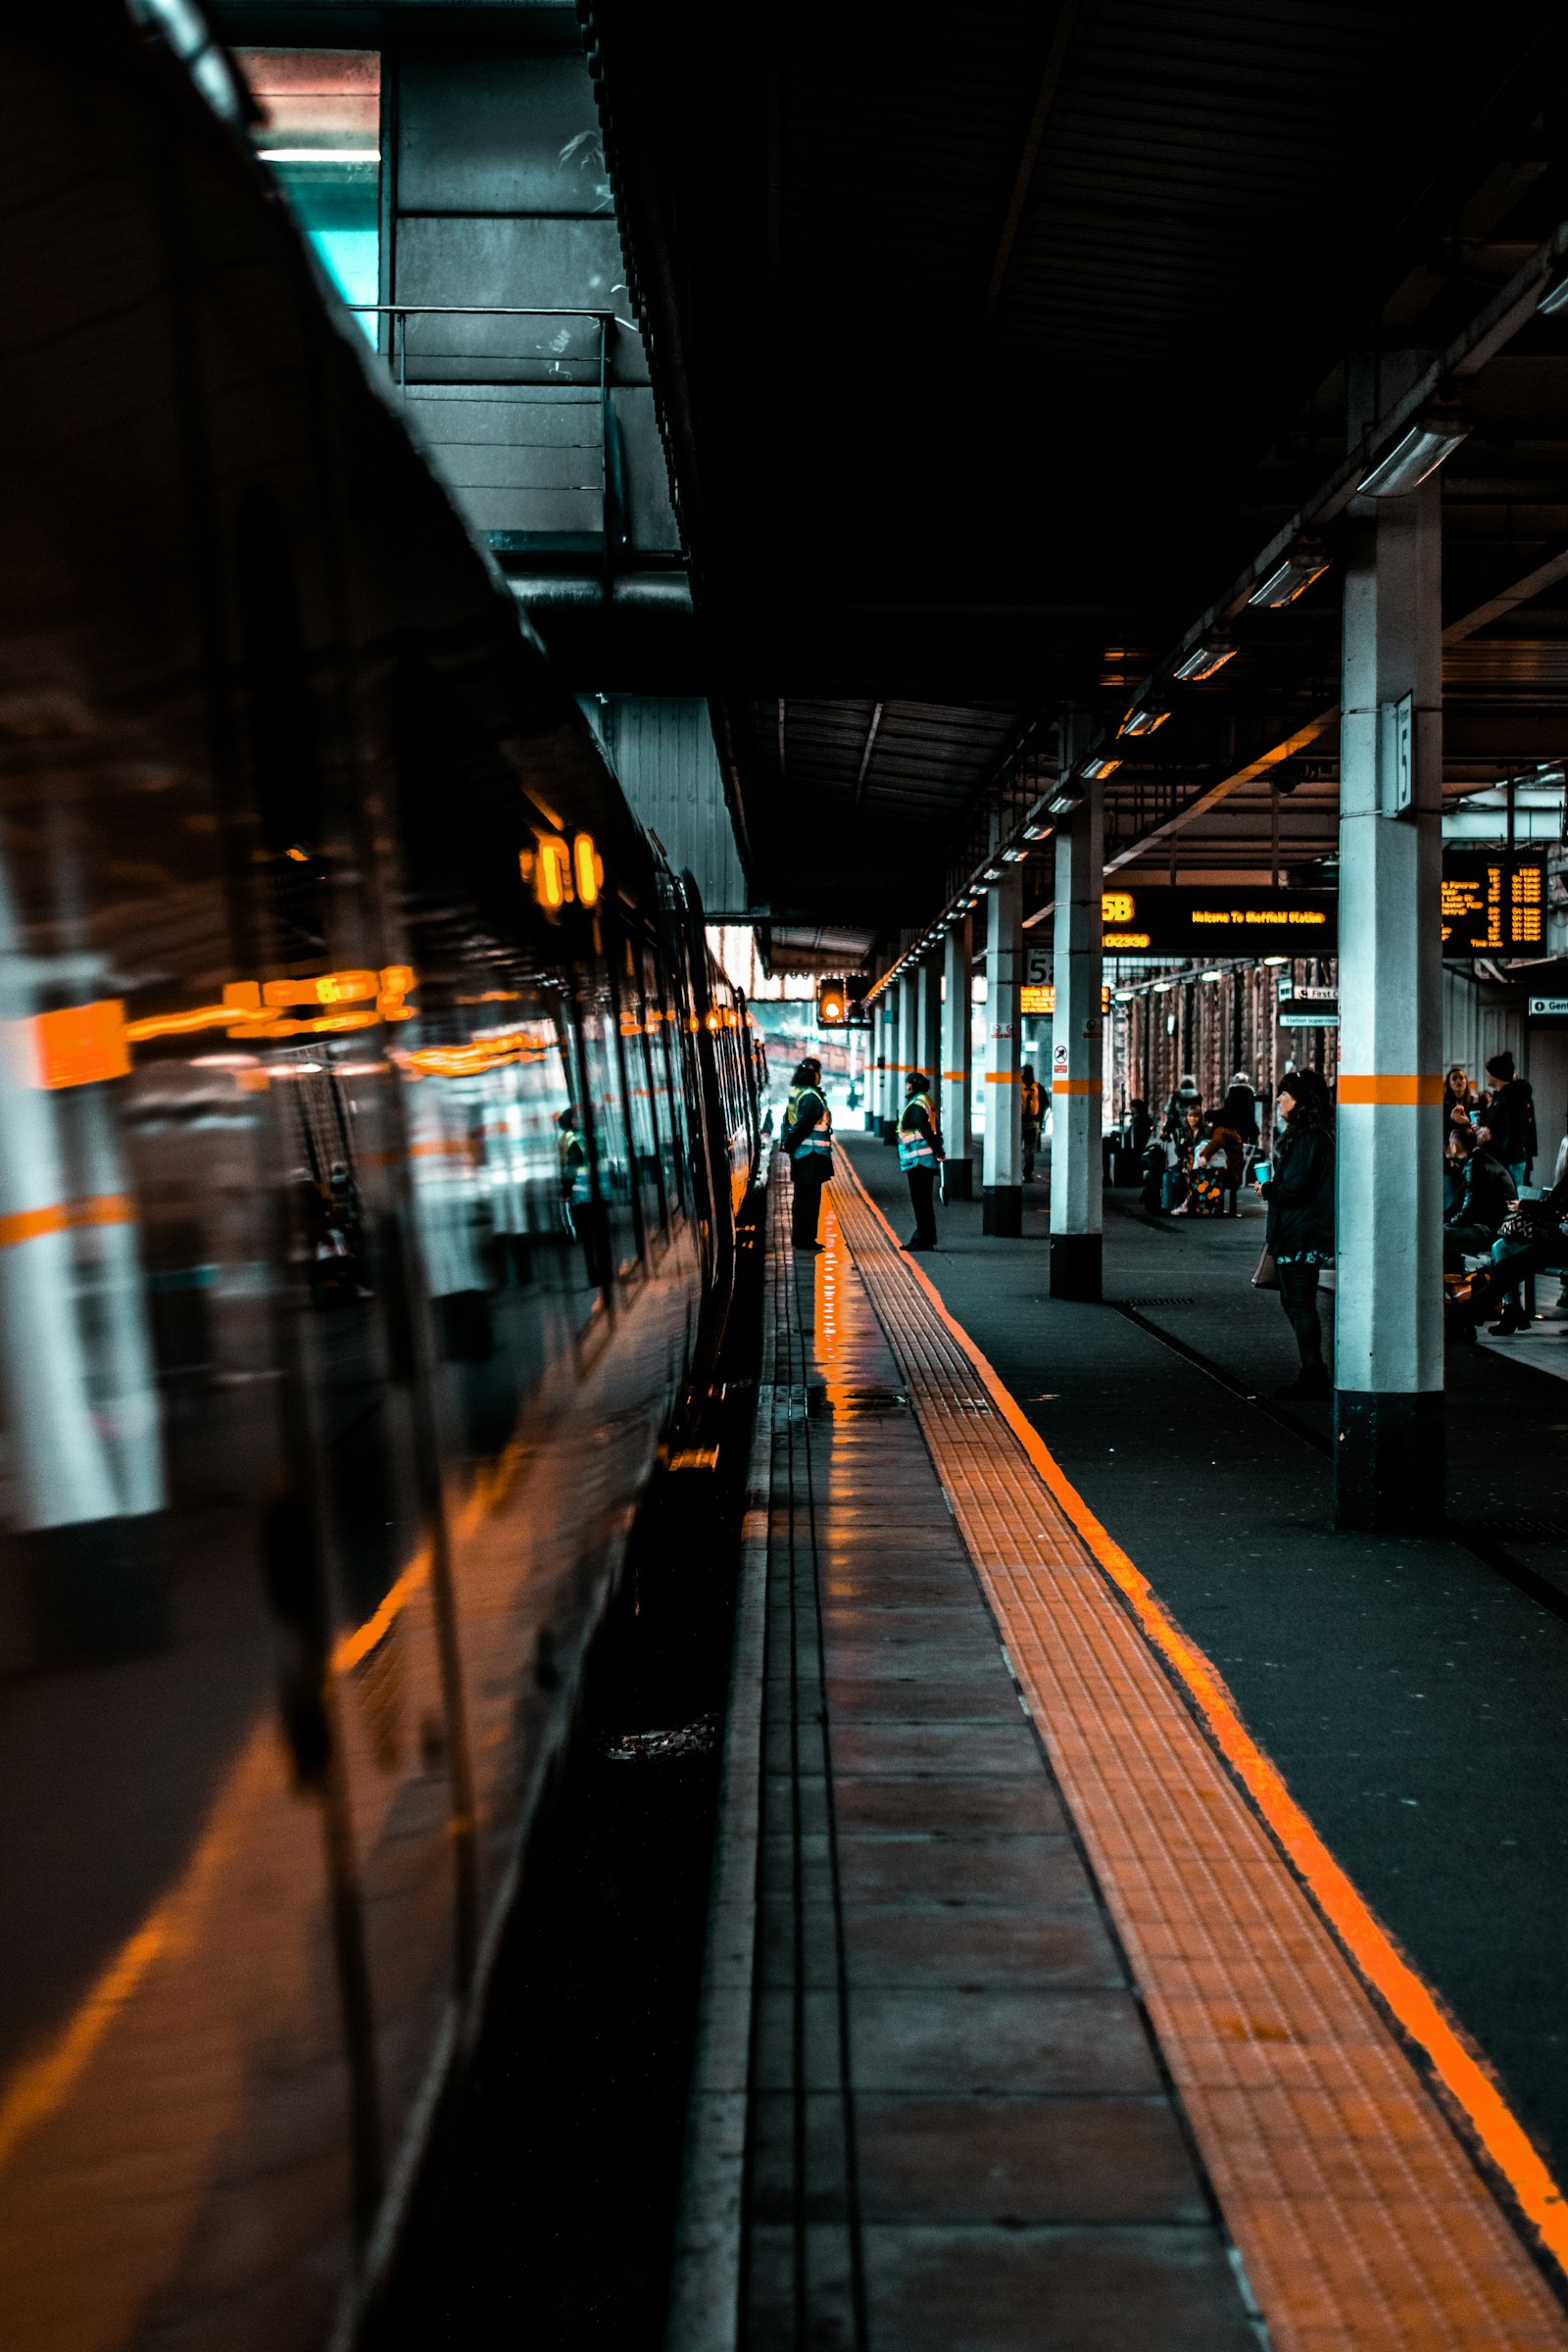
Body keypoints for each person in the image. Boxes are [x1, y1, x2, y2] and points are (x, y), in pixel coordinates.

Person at [1255, 1067, 1334, 1399]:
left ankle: (1314, 1372)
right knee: (1295, 1301)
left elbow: (1296, 1188)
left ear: (1299, 1100)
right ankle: (1312, 1369)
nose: (1278, 1099)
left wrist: (1268, 1189)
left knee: (1300, 1303)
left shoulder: (1306, 1138)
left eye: (1284, 1094)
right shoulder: (1315, 1135)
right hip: (1300, 1230)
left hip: (1301, 1232)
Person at [1443, 1124, 1512, 1271]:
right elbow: (1460, 1204)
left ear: (1454, 1146)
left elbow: (1468, 1211)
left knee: (1441, 1236)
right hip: (1498, 1226)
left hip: (1491, 1229)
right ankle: (1455, 1282)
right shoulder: (1479, 1161)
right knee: (1443, 1232)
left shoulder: (1474, 1165)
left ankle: (1452, 1284)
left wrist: (1446, 1224)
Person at [780, 1057, 832, 1252]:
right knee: (810, 1199)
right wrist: (792, 1144)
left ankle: (799, 1237)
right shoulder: (811, 1097)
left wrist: (789, 1145)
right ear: (814, 1074)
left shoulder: (797, 1093)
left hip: (802, 1155)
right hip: (812, 1154)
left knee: (801, 1198)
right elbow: (804, 1125)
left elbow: (787, 1121)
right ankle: (807, 1239)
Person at [898, 1070, 944, 1250]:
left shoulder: (916, 1104)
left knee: (920, 1202)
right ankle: (926, 1238)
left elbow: (925, 1130)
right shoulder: (926, 1101)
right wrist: (938, 1151)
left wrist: (938, 1151)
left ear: (910, 1085)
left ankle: (923, 1240)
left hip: (918, 1160)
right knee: (924, 1201)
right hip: (925, 1159)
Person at [1479, 1051, 1536, 1190]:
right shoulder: (1501, 1097)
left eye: (1488, 1073)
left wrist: (1501, 1156)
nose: (1486, 1076)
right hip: (1503, 1160)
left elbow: (1514, 1132)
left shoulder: (1512, 1097)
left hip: (1508, 1162)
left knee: (1510, 1201)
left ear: (1495, 1075)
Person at [1219, 1072, 1258, 1151]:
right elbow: (1251, 1112)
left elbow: (1227, 1113)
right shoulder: (1249, 1094)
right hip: (1246, 1127)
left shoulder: (1231, 1094)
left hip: (1233, 1127)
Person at [1019, 1064, 1043, 1181]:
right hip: (1033, 1123)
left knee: (1015, 1148)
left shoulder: (1018, 1086)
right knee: (1030, 1150)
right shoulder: (1038, 1087)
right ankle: (1028, 1174)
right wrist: (1040, 1121)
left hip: (1019, 1122)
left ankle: (1014, 1171)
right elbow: (1045, 1105)